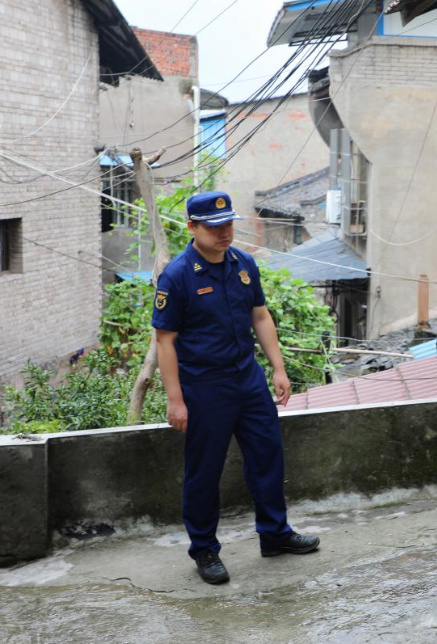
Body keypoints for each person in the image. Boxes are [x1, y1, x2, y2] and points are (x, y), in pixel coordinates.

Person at [152, 190, 319, 585]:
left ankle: (275, 534)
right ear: (192, 227)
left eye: (228, 224)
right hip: (204, 387)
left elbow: (260, 315)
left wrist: (278, 368)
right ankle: (205, 549)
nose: (224, 233)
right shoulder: (177, 277)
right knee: (204, 471)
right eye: (214, 227)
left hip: (248, 378)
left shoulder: (243, 264)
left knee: (268, 455)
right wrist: (175, 400)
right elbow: (165, 341)